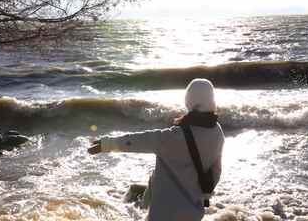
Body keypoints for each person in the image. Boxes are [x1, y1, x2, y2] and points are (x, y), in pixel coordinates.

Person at [88, 78, 225, 221]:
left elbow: (140, 140)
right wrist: (202, 196)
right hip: (193, 214)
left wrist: (107, 144)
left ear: (189, 101)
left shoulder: (174, 136)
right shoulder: (217, 133)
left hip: (163, 214)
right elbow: (216, 172)